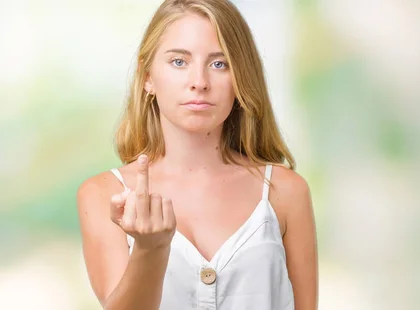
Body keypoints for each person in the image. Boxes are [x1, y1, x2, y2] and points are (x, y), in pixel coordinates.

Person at [76, 0, 318, 309]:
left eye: (220, 64)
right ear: (147, 75)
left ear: (240, 78)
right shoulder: (104, 195)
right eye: (179, 62)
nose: (199, 83)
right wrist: (150, 249)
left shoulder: (286, 192)